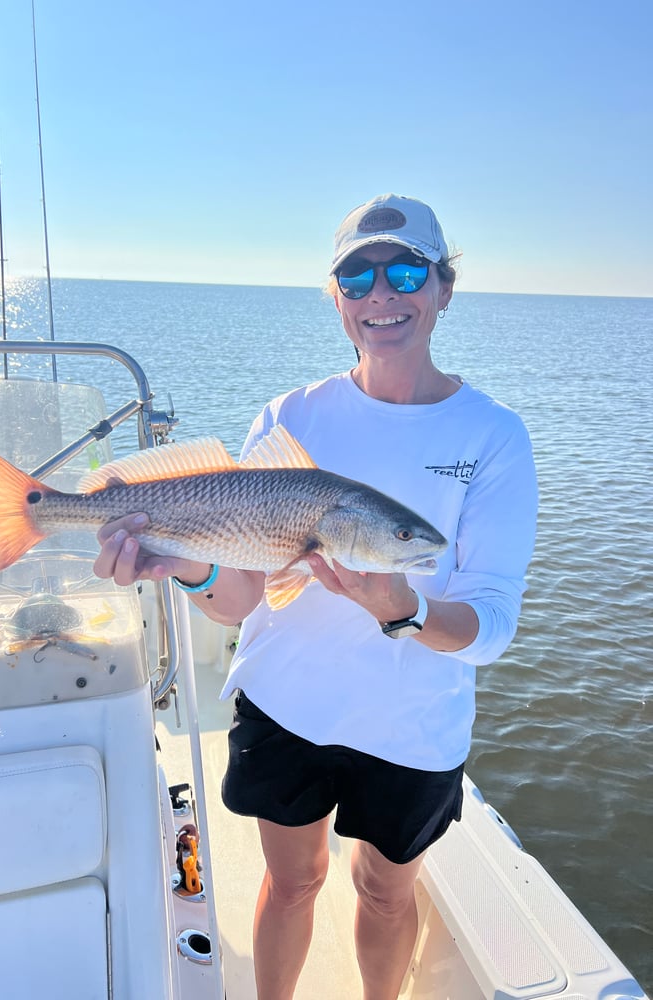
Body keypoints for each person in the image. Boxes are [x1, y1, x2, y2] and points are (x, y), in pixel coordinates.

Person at [94, 193, 538, 1000]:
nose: (382, 295)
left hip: (413, 722)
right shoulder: (293, 414)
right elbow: (240, 602)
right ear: (336, 296)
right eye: (356, 276)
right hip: (286, 703)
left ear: (443, 287)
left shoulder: (494, 436)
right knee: (291, 883)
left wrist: (402, 609)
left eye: (405, 271)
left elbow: (493, 624)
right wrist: (181, 568)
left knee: (385, 889)